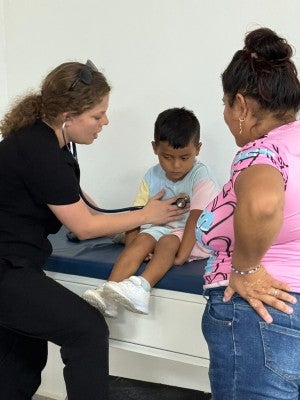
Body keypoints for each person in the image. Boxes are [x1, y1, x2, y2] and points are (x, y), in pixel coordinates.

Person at [0, 61, 188, 400]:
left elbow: (85, 205)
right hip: (6, 270)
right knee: (86, 329)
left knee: (22, 361)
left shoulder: (46, 142)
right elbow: (84, 226)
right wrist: (147, 215)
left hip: (14, 265)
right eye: (98, 115)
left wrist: (140, 217)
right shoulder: (39, 151)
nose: (105, 122)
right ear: (67, 116)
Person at [196, 27, 300, 400]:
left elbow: (263, 203)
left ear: (241, 105)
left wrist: (245, 267)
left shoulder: (261, 153)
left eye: (225, 105)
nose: (225, 115)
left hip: (260, 316)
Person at [83, 107, 219, 318]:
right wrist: (135, 245)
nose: (175, 165)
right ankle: (108, 292)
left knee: (167, 242)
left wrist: (180, 257)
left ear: (198, 149)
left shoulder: (201, 176)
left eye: (184, 158)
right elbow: (136, 214)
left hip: (195, 235)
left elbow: (195, 219)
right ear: (155, 148)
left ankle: (142, 287)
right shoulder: (151, 175)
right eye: (167, 157)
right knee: (142, 239)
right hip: (162, 229)